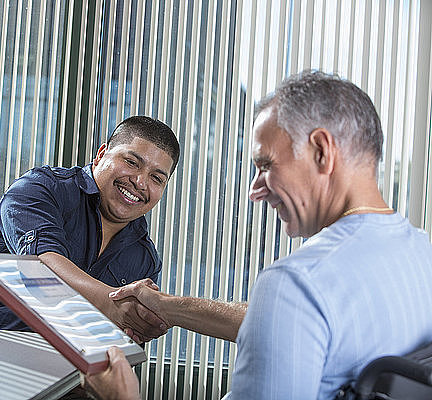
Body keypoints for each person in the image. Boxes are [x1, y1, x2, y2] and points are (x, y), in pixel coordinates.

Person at [82, 71, 432, 399]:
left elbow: (295, 308)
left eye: (265, 165)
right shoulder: (421, 256)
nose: (255, 190)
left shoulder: (298, 283)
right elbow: (303, 325)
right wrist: (166, 306)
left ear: (322, 152)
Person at [0, 115, 179, 343]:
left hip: (66, 376)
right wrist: (113, 304)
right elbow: (41, 267)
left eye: (157, 178)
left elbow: (123, 344)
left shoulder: (144, 259)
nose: (140, 182)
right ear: (101, 155)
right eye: (131, 162)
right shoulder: (41, 189)